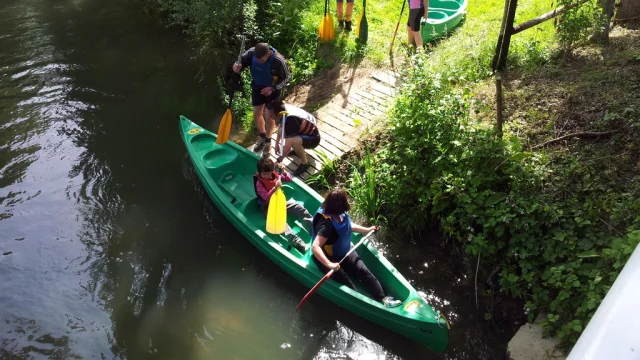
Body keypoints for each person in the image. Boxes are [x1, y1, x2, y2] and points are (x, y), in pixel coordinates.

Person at [310, 189, 402, 307]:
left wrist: (366, 230)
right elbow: (315, 246)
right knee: (347, 283)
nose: (349, 201)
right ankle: (361, 303)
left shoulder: (340, 214)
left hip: (344, 252)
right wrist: (329, 264)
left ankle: (383, 299)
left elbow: (347, 226)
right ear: (340, 205)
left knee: (364, 271)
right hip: (327, 257)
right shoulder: (327, 225)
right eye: (346, 199)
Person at [233, 42, 291, 157]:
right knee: (256, 114)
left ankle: (268, 141)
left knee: (269, 116)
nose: (259, 61)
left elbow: (287, 78)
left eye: (262, 60)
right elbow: (241, 62)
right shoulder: (251, 53)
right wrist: (237, 65)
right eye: (257, 59)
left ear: (268, 53)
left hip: (273, 89)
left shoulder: (278, 60)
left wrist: (273, 88)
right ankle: (262, 136)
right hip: (257, 87)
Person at [253, 157, 311, 253]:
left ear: (272, 170)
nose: (267, 176)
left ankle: (313, 228)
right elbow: (265, 197)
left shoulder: (275, 175)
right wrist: (275, 188)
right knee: (282, 224)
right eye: (264, 174)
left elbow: (289, 179)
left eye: (268, 173)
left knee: (299, 208)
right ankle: (297, 243)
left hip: (280, 202)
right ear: (259, 173)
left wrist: (284, 171)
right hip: (268, 208)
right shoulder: (259, 183)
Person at [270, 99, 321, 177]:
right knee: (285, 133)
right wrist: (277, 145)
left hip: (314, 139)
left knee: (294, 142)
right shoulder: (283, 110)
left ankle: (305, 163)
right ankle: (297, 150)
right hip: (305, 133)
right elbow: (281, 128)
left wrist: (277, 162)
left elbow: (287, 146)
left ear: (279, 114)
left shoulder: (290, 120)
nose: (270, 115)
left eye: (272, 114)